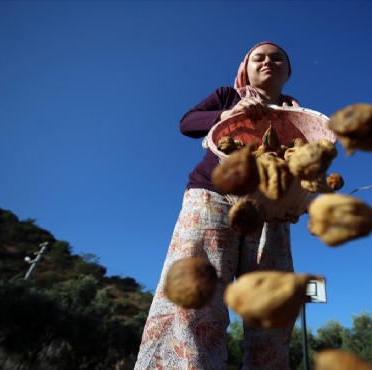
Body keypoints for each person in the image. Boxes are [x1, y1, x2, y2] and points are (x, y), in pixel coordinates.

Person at [135, 42, 301, 370]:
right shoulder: (229, 95)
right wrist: (228, 114)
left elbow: (302, 167)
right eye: (260, 57)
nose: (268, 61)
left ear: (288, 71)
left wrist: (297, 198)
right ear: (247, 67)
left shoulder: (296, 117)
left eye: (277, 58)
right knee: (195, 292)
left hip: (269, 210)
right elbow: (187, 123)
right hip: (213, 195)